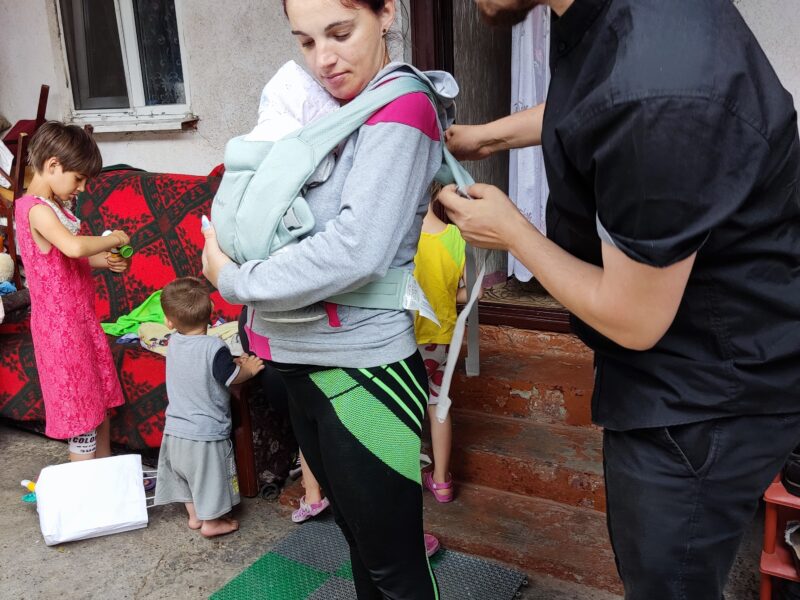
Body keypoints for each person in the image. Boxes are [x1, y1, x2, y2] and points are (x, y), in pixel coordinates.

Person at [438, 1, 800, 598]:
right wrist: (491, 135)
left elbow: (633, 320)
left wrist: (512, 234)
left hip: (704, 395)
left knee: (666, 582)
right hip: (695, 355)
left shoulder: (660, 89)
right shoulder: (616, 21)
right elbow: (595, 102)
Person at [202, 0, 456, 596]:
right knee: (360, 548)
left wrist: (234, 279)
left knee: (394, 565)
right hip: (301, 360)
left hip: (362, 370)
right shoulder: (327, 108)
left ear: (387, 13)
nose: (325, 59)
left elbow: (355, 249)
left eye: (340, 33)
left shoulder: (402, 106)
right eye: (306, 41)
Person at [15, 121, 131, 462]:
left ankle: (108, 484)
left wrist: (106, 261)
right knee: (82, 416)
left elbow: (68, 260)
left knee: (100, 407)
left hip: (81, 323)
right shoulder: (34, 209)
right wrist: (114, 239)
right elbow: (73, 248)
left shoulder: (56, 209)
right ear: (52, 165)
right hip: (61, 332)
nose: (81, 187)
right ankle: (86, 501)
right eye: (78, 178)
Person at [153, 277, 264, 537]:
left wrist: (230, 361)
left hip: (175, 431)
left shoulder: (174, 342)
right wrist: (246, 369)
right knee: (210, 480)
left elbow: (198, 365)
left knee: (185, 479)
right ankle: (212, 522)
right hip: (205, 434)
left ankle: (194, 516)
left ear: (169, 321)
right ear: (211, 312)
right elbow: (230, 377)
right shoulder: (215, 347)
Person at [414, 194, 470, 503]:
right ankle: (441, 481)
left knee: (403, 406)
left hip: (401, 336)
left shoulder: (401, 237)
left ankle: (405, 478)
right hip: (440, 334)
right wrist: (448, 297)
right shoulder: (456, 238)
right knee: (438, 402)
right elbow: (474, 291)